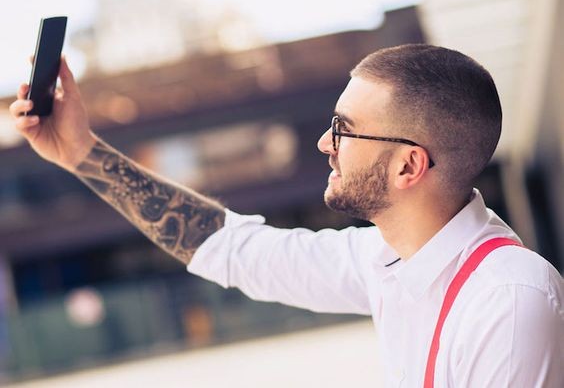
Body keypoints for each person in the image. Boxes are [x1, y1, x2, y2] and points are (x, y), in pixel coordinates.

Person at [10, 44, 563, 387]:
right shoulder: (389, 259)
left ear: (408, 166)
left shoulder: (509, 303)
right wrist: (82, 153)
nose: (325, 142)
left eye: (344, 129)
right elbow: (233, 248)